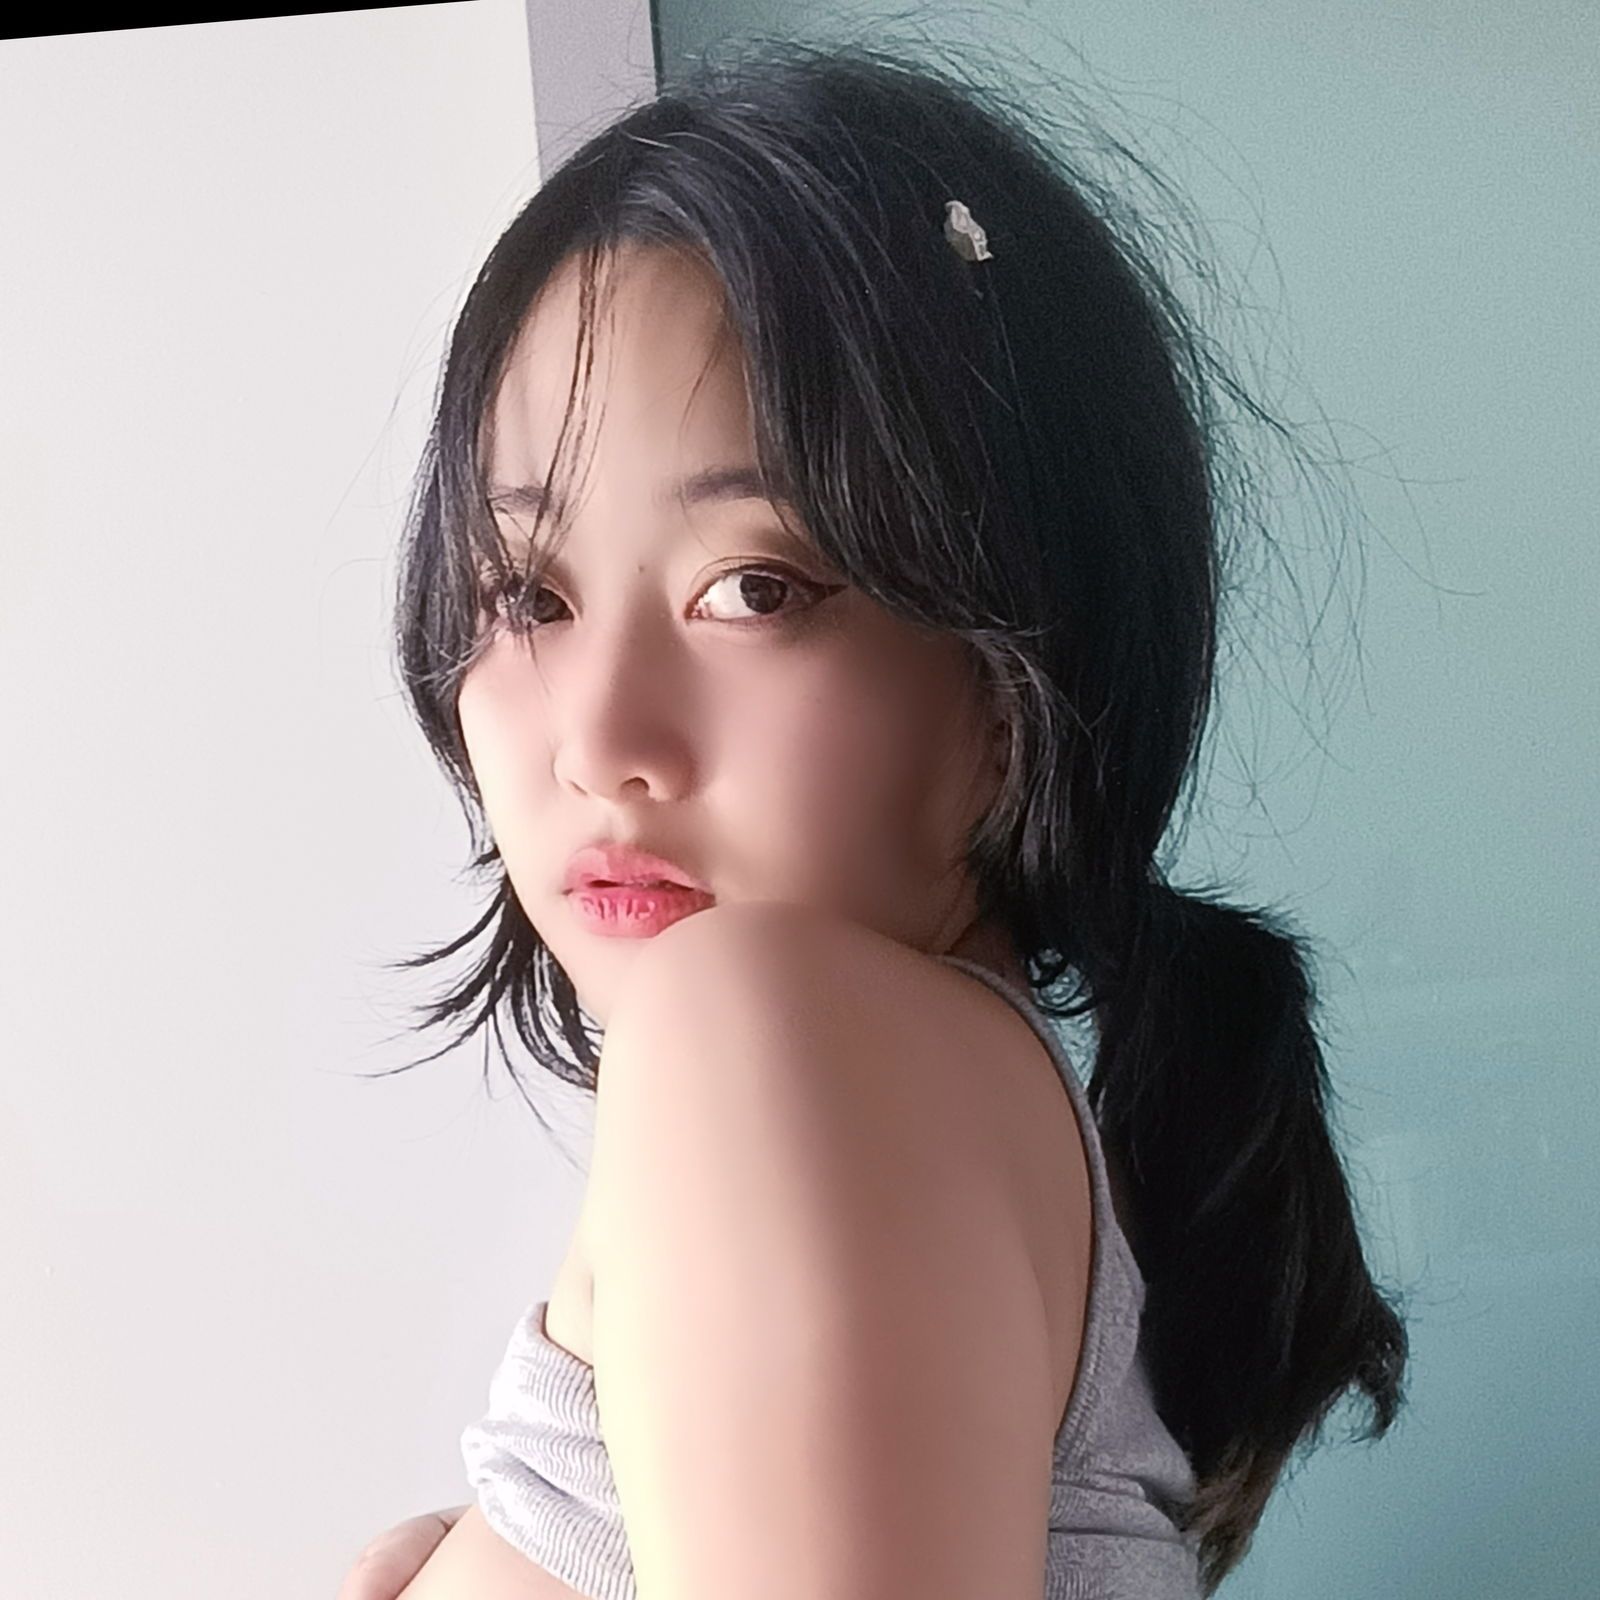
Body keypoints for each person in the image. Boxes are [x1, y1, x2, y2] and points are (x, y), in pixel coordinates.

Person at [336, 36, 1409, 1600]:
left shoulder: (758, 1019)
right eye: (526, 595)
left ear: (1015, 680)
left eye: (755, 589)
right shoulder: (867, 1098)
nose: (601, 742)